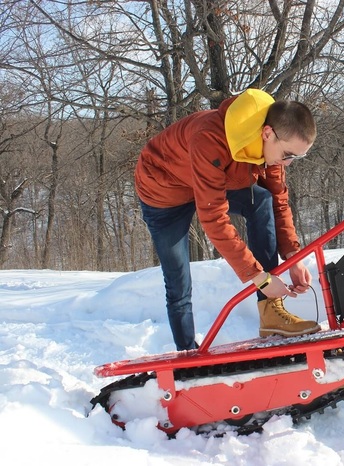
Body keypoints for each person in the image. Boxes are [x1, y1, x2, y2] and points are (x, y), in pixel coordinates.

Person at [134, 88, 320, 351]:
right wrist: (260, 277)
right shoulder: (210, 137)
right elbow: (213, 218)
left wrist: (293, 257)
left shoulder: (273, 144)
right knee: (178, 281)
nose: (289, 163)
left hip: (211, 180)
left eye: (297, 157)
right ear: (268, 133)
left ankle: (271, 314)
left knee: (263, 201)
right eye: (289, 155)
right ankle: (187, 352)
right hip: (164, 190)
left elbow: (278, 198)